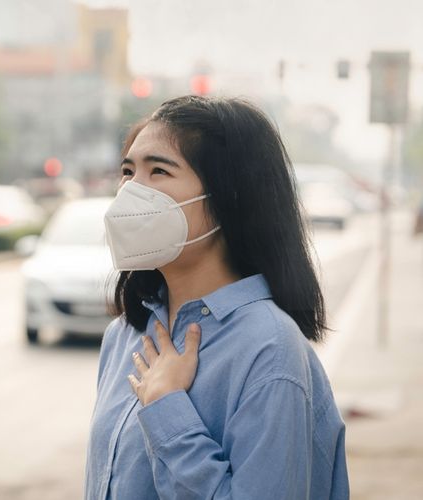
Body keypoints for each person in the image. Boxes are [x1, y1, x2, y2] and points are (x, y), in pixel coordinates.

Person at [85, 96, 349, 499]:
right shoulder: (125, 335)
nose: (130, 191)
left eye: (158, 171)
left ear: (228, 198)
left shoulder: (270, 350)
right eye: (127, 171)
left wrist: (168, 408)